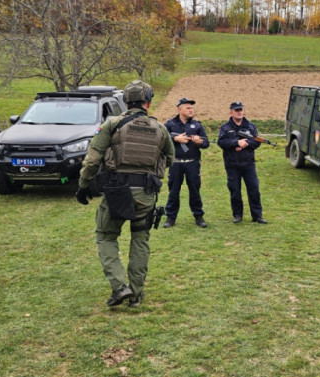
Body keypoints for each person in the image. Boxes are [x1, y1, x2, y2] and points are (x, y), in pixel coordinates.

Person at [75, 80, 174, 308]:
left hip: (116, 192)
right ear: (148, 102)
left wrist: (83, 185)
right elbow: (169, 158)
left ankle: (120, 287)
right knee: (140, 239)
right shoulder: (161, 129)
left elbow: (92, 159)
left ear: (126, 102)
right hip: (146, 193)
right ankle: (136, 295)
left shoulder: (112, 125)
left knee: (106, 236)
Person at [162, 98, 210, 229]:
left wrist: (200, 142)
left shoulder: (197, 125)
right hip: (176, 163)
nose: (191, 110)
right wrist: (175, 138)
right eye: (188, 108)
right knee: (173, 191)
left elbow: (206, 143)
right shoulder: (170, 124)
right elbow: (162, 138)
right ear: (180, 109)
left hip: (192, 163)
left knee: (195, 191)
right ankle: (171, 218)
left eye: (191, 108)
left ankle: (199, 217)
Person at [217, 101, 266, 224]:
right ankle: (237, 215)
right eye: (237, 110)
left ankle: (257, 216)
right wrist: (236, 143)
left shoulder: (250, 126)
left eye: (241, 110)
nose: (239, 112)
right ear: (231, 112)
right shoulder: (225, 128)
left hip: (248, 164)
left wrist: (246, 144)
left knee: (254, 189)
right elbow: (221, 143)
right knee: (235, 191)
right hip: (232, 165)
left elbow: (257, 141)